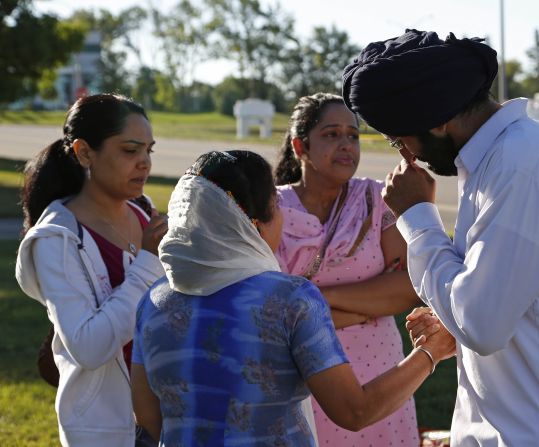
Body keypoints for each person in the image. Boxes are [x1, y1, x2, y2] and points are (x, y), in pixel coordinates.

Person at [342, 29, 539, 446]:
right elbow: (499, 302)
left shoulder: (518, 163)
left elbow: (482, 323)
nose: (407, 157)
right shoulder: (501, 158)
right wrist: (452, 314)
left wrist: (417, 218)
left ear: (436, 118)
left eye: (400, 140)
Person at [130, 150, 456, 446]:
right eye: (277, 209)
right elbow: (354, 411)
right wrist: (430, 351)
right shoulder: (288, 299)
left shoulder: (154, 302)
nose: (284, 220)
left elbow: (148, 418)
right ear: (253, 227)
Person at [15, 94, 168, 447]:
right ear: (85, 153)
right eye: (130, 151)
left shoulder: (145, 214)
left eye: (149, 150)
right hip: (108, 429)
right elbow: (88, 345)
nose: (144, 163)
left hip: (167, 418)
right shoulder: (56, 238)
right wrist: (147, 262)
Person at [273, 92, 424, 445]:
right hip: (298, 380)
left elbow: (409, 286)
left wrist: (313, 300)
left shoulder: (376, 198)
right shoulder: (272, 208)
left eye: (353, 135)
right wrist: (363, 307)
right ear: (301, 146)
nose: (345, 145)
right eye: (331, 134)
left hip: (380, 377)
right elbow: (268, 308)